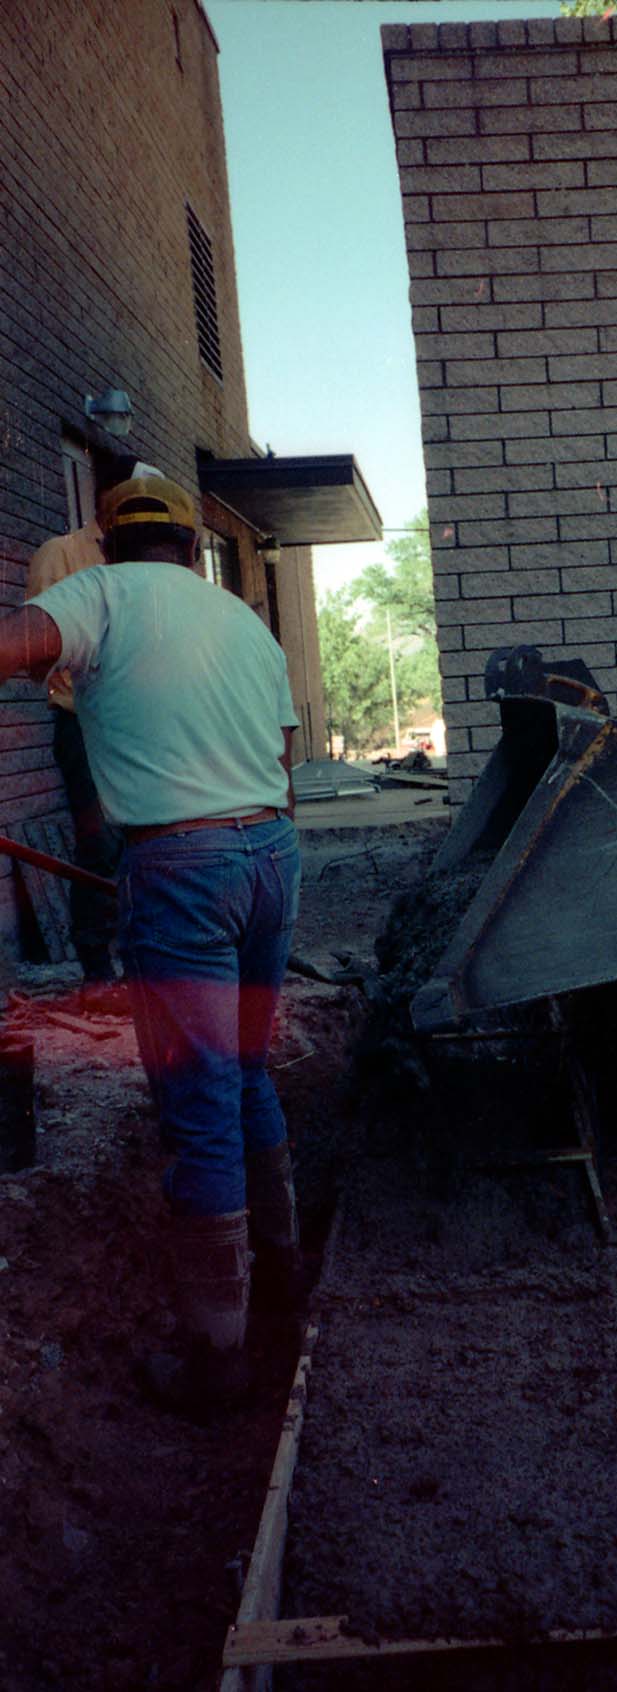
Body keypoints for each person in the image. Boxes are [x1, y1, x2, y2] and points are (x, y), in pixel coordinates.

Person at [0, 473, 303, 1416]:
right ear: (191, 546)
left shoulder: (98, 593)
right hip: (271, 854)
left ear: (107, 541)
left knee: (200, 1099)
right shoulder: (243, 621)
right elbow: (284, 760)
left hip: (180, 868)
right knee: (246, 1073)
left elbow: (12, 648)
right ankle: (283, 1277)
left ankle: (217, 1360)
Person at [25, 457, 161, 1013]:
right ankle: (97, 969)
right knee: (98, 841)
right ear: (105, 498)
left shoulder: (152, 565)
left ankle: (144, 963)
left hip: (144, 722)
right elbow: (40, 644)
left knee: (148, 838)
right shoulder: (60, 554)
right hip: (84, 723)